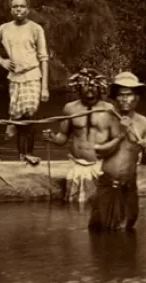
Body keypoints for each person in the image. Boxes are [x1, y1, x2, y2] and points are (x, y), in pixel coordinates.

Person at [0, 0, 49, 165]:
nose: (19, 10)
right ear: (11, 9)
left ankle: (30, 153)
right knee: (18, 118)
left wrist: (45, 87)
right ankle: (21, 157)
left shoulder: (36, 29)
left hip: (33, 75)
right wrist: (2, 61)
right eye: (15, 7)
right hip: (15, 78)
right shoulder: (4, 28)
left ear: (28, 9)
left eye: (22, 6)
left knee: (30, 114)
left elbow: (44, 58)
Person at [42, 68, 117, 204]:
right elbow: (63, 137)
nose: (89, 88)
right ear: (78, 88)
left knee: (101, 204)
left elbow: (117, 140)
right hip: (76, 165)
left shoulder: (109, 109)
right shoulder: (70, 109)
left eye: (93, 85)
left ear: (100, 88)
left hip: (100, 166)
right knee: (75, 204)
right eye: (85, 85)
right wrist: (52, 137)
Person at [89, 72, 146, 232]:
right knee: (100, 232)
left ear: (136, 98)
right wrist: (121, 135)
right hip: (107, 183)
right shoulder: (106, 119)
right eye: (121, 95)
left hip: (129, 185)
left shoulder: (144, 123)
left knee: (126, 231)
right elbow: (98, 152)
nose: (124, 99)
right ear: (115, 98)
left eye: (128, 95)